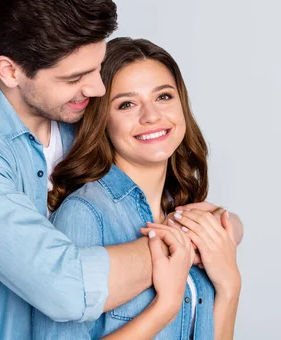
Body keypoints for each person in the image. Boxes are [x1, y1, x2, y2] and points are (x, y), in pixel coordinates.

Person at [0, 0, 243, 339]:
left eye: (97, 68)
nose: (97, 88)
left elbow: (193, 205)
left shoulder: (80, 120)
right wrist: (185, 239)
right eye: (75, 77)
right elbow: (66, 288)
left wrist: (222, 231)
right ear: (10, 71)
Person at [33, 37, 241, 339]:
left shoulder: (187, 214)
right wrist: (165, 307)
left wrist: (230, 287)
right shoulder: (86, 214)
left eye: (164, 97)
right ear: (102, 120)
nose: (151, 116)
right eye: (127, 104)